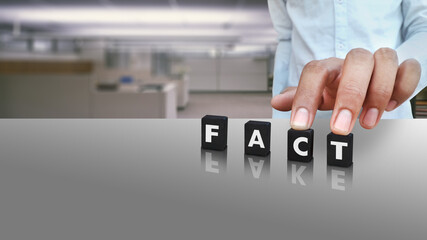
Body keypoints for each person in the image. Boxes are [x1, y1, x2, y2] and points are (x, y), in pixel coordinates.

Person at [268, 0, 427, 135]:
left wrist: (389, 76)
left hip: (386, 119)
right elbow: (285, 38)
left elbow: (423, 28)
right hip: (303, 119)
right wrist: (279, 119)